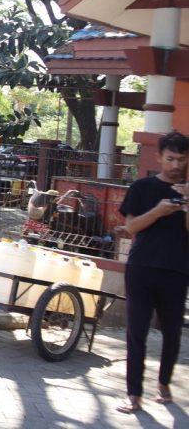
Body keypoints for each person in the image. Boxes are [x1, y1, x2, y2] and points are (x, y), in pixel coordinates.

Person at [116, 131, 189, 414]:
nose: (176, 165)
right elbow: (131, 228)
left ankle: (164, 383)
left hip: (177, 270)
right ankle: (133, 394)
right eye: (170, 158)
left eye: (181, 159)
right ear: (159, 157)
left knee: (172, 332)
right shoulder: (142, 188)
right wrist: (158, 211)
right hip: (141, 268)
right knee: (136, 332)